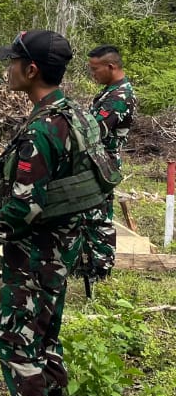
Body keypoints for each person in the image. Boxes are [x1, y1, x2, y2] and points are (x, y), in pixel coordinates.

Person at [0, 30, 117, 396]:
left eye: (12, 61)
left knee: (17, 339)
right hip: (62, 247)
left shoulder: (43, 128)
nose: (7, 68)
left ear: (31, 69)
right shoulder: (77, 115)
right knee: (45, 334)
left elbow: (24, 207)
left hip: (35, 253)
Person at [84, 45, 136, 282]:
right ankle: (88, 262)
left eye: (95, 69)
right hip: (96, 160)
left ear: (111, 67)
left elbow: (95, 129)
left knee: (100, 216)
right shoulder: (110, 91)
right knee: (90, 213)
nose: (93, 74)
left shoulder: (120, 96)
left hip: (103, 162)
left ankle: (101, 268)